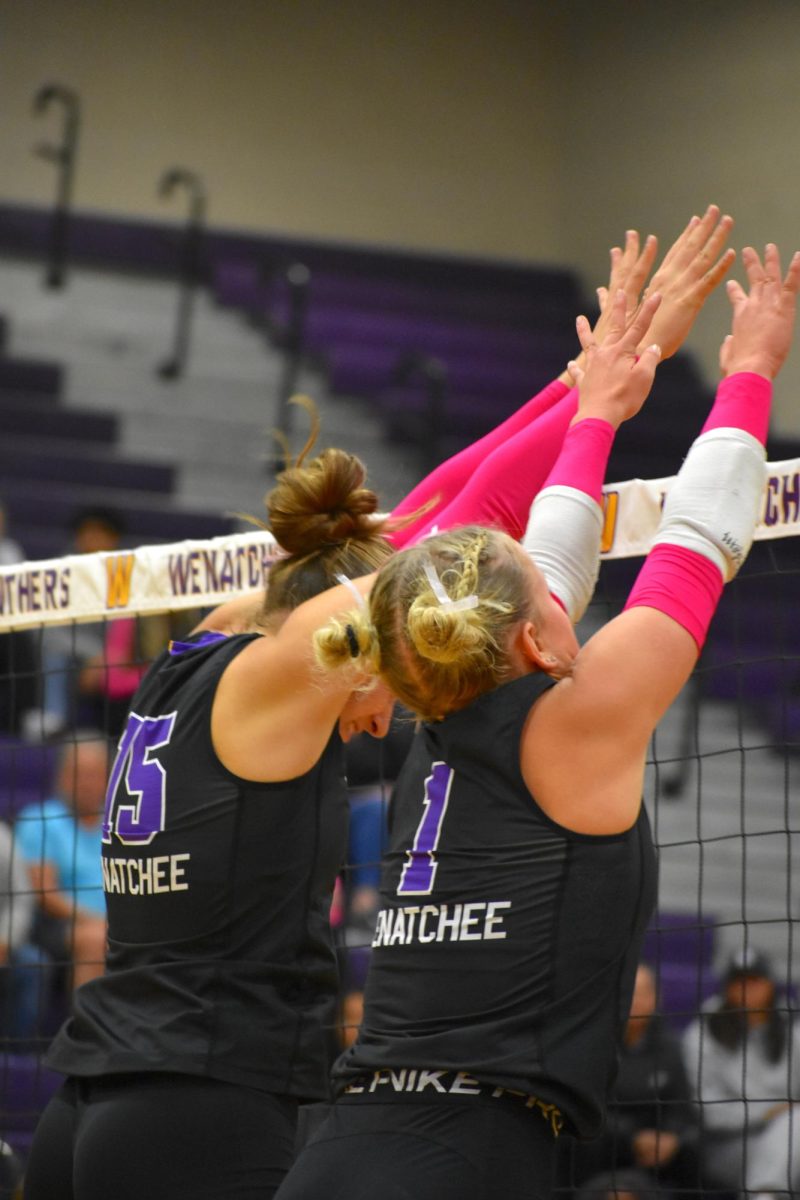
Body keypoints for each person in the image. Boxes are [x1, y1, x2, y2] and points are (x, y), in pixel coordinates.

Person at [21, 214, 734, 1200]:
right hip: (198, 1104)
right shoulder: (283, 673)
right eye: (392, 675)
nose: (389, 708)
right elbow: (451, 548)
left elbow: (429, 512)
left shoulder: (217, 632)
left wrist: (584, 383)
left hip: (90, 1094)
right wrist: (607, 391)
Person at [273, 244, 800, 1200]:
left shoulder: (440, 710)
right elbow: (704, 533)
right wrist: (751, 370)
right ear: (537, 642)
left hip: (340, 1148)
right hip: (467, 1154)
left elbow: (544, 563)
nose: (574, 599)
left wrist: (595, 410)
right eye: (556, 604)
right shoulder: (576, 718)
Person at [558, 962, 699, 1200]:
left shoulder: (670, 1048)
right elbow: (585, 1106)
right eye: (629, 992)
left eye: (643, 992)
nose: (636, 1000)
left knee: (693, 1147)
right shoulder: (594, 1045)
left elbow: (682, 1108)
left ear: (655, 998)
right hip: (606, 1144)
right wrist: (633, 1137)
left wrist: (670, 1138)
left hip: (655, 1150)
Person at [682, 945, 800, 1197]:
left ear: (770, 985)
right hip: (726, 1144)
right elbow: (708, 1112)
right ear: (727, 988)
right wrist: (770, 1112)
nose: (748, 990)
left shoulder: (793, 1029)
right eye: (739, 982)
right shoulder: (703, 1034)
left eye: (755, 981)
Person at [14, 735, 108, 992]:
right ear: (63, 777)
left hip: (117, 923)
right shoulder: (40, 819)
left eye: (95, 775)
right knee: (96, 939)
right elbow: (46, 896)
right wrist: (100, 921)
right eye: (79, 774)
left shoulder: (118, 823)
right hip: (57, 924)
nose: (87, 784)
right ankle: (89, 1030)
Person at [0, 818, 51, 1045]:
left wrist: (5, 940)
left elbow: (21, 899)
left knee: (33, 963)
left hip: (2, 942)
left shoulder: (2, 836)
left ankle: (15, 1053)